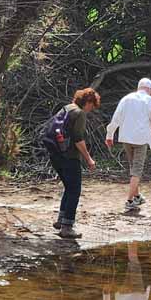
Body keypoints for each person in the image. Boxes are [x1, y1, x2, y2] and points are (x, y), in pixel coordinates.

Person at [105, 78, 151, 211]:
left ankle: (137, 196)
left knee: (133, 168)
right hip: (141, 139)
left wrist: (110, 134)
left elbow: (116, 118)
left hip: (126, 138)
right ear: (150, 89)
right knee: (137, 170)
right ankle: (129, 200)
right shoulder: (150, 101)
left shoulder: (126, 99)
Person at [49, 88, 101, 238]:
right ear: (88, 102)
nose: (91, 109)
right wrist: (89, 159)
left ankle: (61, 220)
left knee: (69, 187)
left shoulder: (66, 108)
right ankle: (67, 227)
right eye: (92, 105)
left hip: (55, 154)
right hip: (69, 157)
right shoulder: (79, 113)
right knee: (74, 190)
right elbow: (78, 139)